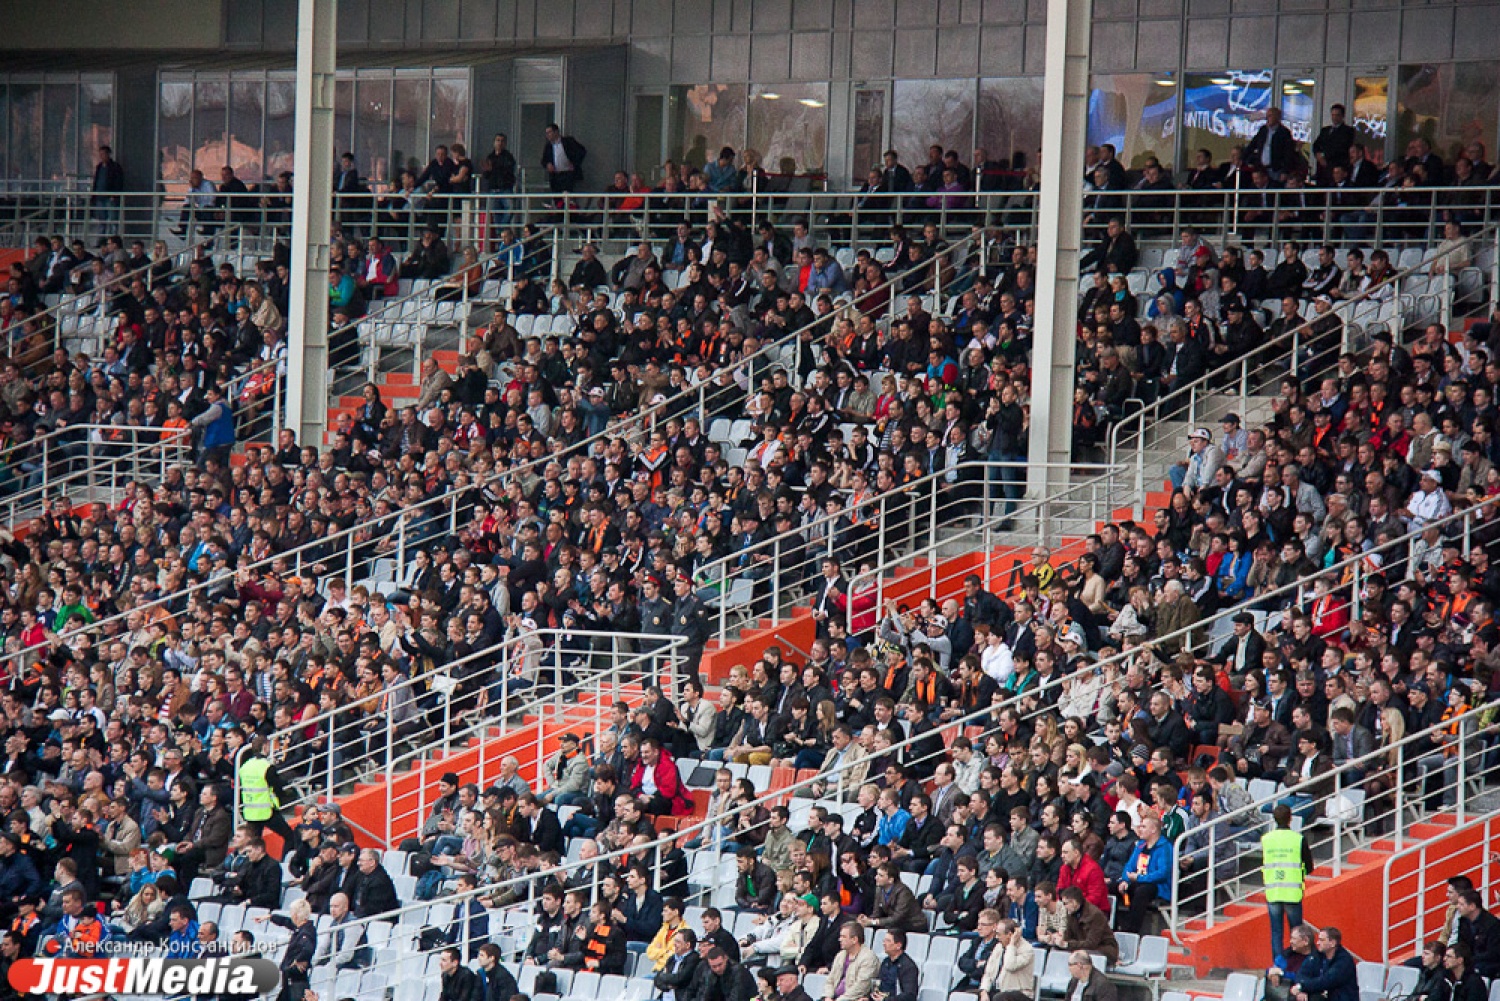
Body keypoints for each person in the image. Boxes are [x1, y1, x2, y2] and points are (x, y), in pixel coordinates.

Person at [1261, 804, 1312, 961]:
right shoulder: (1298, 839)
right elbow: (1309, 866)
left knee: (1276, 932)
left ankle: (1278, 965)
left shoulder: (1266, 839)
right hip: (1292, 892)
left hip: (1273, 891)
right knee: (1297, 932)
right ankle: (1296, 964)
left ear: (1274, 819)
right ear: (1290, 818)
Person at [1115, 815, 1171, 934]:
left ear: (1153, 829)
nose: (1140, 829)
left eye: (1143, 826)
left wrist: (1140, 878)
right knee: (1113, 887)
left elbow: (1163, 873)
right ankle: (1112, 927)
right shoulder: (1140, 845)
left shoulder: (1164, 847)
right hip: (1137, 881)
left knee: (1142, 892)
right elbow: (1129, 866)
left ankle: (1131, 931)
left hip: (1157, 886)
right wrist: (1125, 880)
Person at [237, 735, 294, 844]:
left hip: (250, 812)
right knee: (290, 836)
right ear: (265, 746)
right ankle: (288, 855)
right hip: (266, 811)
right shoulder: (266, 766)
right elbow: (277, 787)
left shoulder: (245, 766)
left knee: (253, 842)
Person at [1288, 927, 1356, 1001]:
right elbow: (1301, 974)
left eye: (1322, 940)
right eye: (1318, 939)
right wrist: (1301, 990)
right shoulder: (1317, 955)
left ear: (1332, 943)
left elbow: (1327, 981)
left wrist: (1302, 986)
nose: (1318, 943)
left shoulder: (1344, 961)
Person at [979, 915, 1036, 1001]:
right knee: (970, 994)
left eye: (998, 934)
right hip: (997, 990)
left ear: (1010, 935)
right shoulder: (998, 947)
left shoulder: (1027, 949)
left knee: (999, 998)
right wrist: (984, 991)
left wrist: (1011, 945)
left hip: (1019, 994)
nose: (996, 937)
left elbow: (1010, 965)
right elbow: (988, 973)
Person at [824, 924, 878, 1001]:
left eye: (843, 937)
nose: (840, 939)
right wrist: (828, 997)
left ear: (854, 940)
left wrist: (839, 1000)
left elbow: (860, 988)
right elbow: (830, 980)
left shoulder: (868, 958)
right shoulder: (840, 955)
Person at [542, 123, 588, 194]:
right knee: (557, 196)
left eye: (549, 132)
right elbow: (543, 160)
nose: (547, 135)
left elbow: (582, 151)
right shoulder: (548, 146)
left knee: (568, 195)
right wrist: (548, 164)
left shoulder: (568, 141)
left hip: (568, 174)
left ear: (556, 132)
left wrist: (574, 163)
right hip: (555, 176)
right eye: (546, 133)